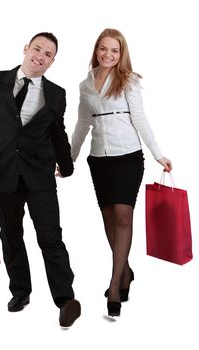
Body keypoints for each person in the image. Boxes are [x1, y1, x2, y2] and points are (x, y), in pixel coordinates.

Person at [0, 32, 81, 327]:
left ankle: (65, 300)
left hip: (40, 176)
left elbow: (57, 132)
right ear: (25, 49)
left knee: (50, 238)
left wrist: (67, 166)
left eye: (48, 54)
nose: (40, 56)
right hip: (5, 174)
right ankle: (20, 291)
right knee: (10, 235)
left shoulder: (56, 93)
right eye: (37, 49)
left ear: (52, 62)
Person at [71, 28, 172, 317]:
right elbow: (81, 123)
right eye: (103, 49)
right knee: (108, 221)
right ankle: (125, 270)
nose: (108, 54)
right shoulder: (85, 84)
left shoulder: (128, 80)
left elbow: (140, 118)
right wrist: (70, 158)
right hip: (99, 160)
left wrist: (157, 153)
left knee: (123, 216)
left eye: (114, 50)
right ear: (97, 50)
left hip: (128, 156)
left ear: (121, 53)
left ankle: (115, 283)